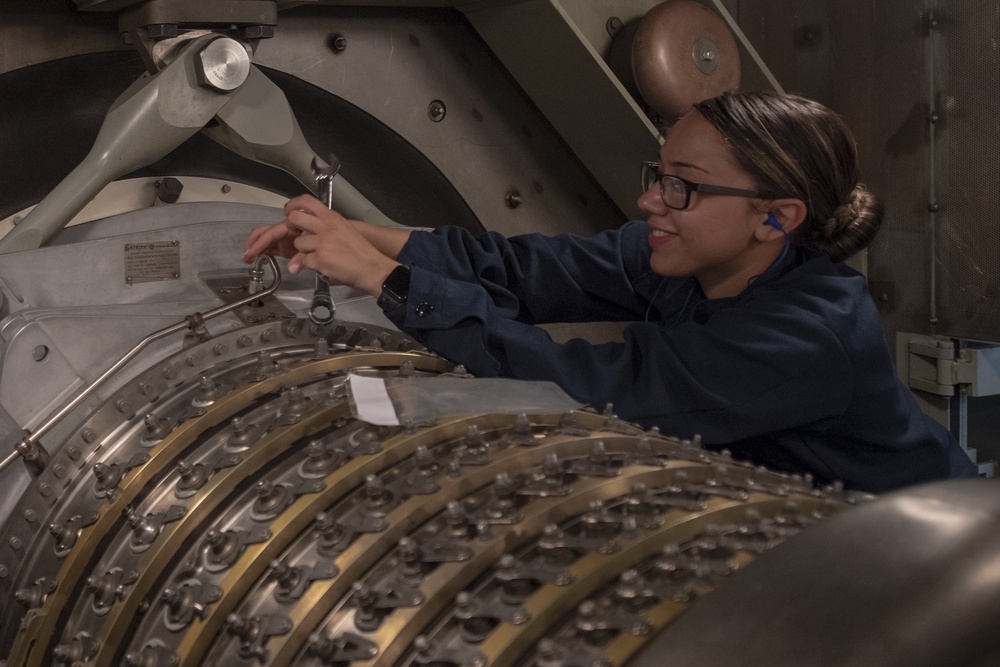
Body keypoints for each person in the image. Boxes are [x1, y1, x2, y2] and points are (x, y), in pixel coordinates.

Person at [243, 90, 977, 494]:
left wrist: (383, 281)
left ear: (775, 218)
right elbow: (516, 269)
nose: (652, 200)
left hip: (919, 544)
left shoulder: (809, 334)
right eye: (658, 174)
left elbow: (585, 388)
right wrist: (361, 236)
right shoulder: (675, 253)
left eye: (682, 186)